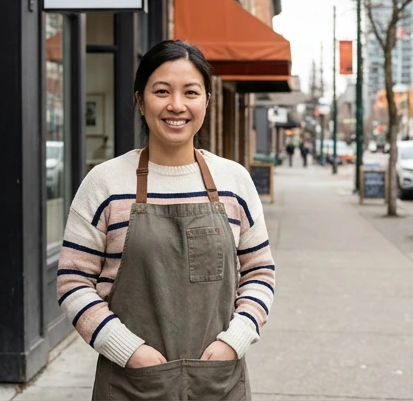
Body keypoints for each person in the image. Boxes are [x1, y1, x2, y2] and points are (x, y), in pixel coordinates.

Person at [57, 41, 274, 401]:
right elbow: (73, 281)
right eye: (162, 92)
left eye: (190, 92)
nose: (176, 105)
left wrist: (235, 340)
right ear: (141, 101)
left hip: (217, 381)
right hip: (131, 383)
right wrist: (125, 348)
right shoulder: (106, 182)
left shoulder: (233, 181)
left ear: (206, 101)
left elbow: (259, 272)